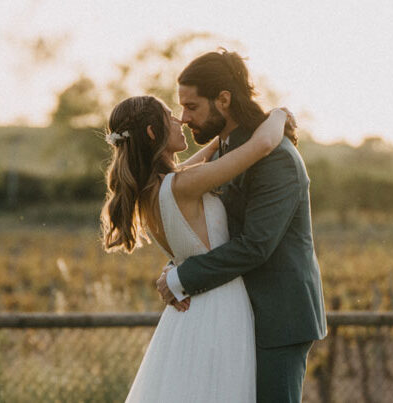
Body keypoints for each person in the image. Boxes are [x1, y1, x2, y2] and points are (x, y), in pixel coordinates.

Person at [157, 49, 327, 402]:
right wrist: (179, 263)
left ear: (223, 100)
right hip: (235, 314)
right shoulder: (227, 151)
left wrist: (183, 278)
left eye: (192, 107)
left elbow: (256, 244)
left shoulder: (276, 157)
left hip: (278, 319)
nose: (184, 119)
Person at [100, 93, 290, 402]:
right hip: (221, 305)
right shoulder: (183, 185)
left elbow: (192, 165)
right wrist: (280, 114)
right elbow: (263, 145)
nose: (180, 121)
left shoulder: (150, 190)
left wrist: (217, 142)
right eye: (170, 117)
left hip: (189, 309)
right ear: (152, 133)